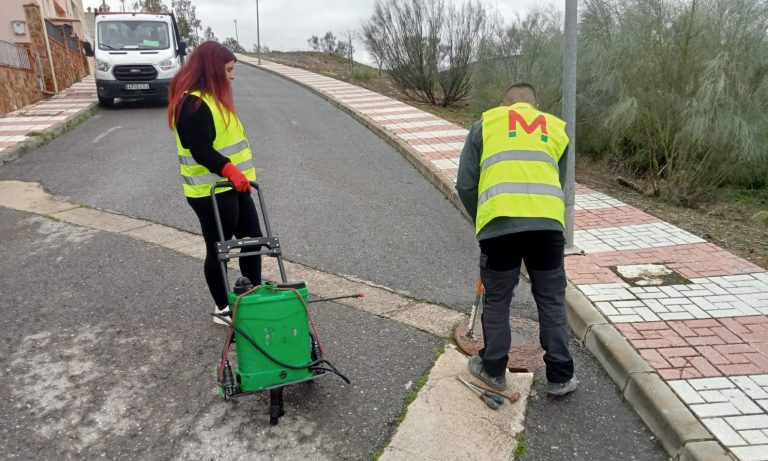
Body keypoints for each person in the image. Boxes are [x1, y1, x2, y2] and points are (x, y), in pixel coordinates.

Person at [456, 83, 577, 397]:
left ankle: (494, 369)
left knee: (498, 299)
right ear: (534, 107)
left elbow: (466, 183)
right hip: (547, 226)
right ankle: (561, 377)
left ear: (503, 105)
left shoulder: (486, 125)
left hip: (500, 223)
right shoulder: (556, 129)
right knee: (551, 299)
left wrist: (482, 218)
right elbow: (560, 183)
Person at [167, 41, 262, 325]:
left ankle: (252, 297)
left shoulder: (215, 100)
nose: (232, 76)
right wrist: (229, 169)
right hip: (208, 191)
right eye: (229, 70)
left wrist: (236, 176)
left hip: (234, 186)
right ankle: (224, 309)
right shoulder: (192, 104)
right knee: (218, 249)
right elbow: (200, 148)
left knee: (253, 240)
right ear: (213, 70)